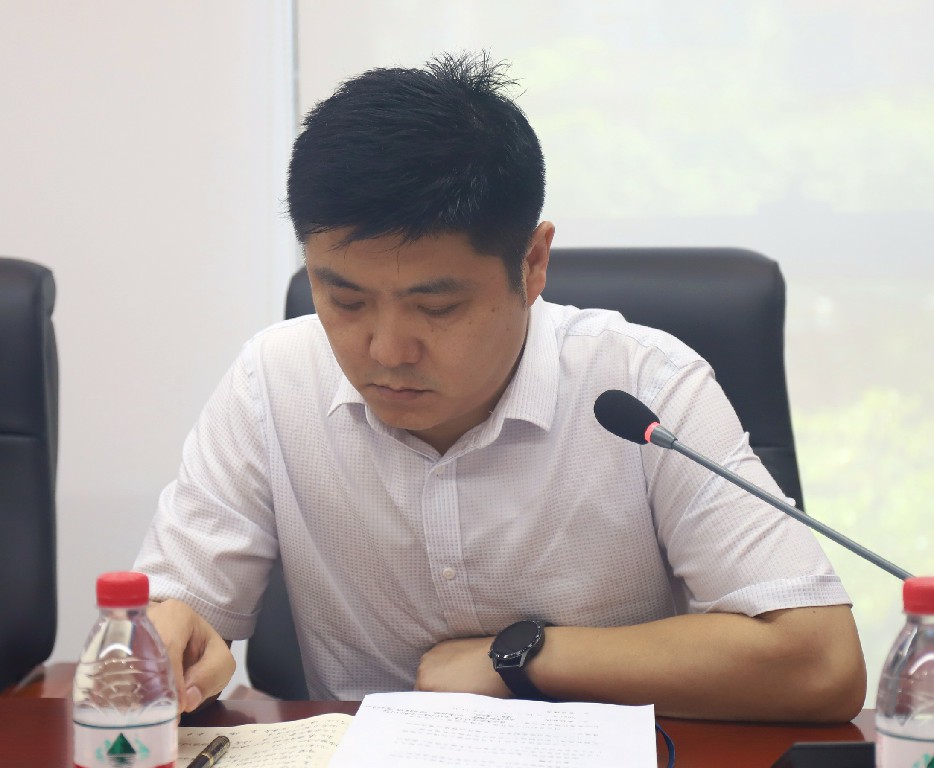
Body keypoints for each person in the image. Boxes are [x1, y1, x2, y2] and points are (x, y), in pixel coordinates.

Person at [134, 52, 866, 722]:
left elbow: (821, 661)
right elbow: (171, 615)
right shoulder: (273, 380)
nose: (387, 350)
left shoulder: (644, 387)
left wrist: (519, 659)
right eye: (346, 300)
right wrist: (178, 639)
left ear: (533, 263)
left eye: (437, 307)